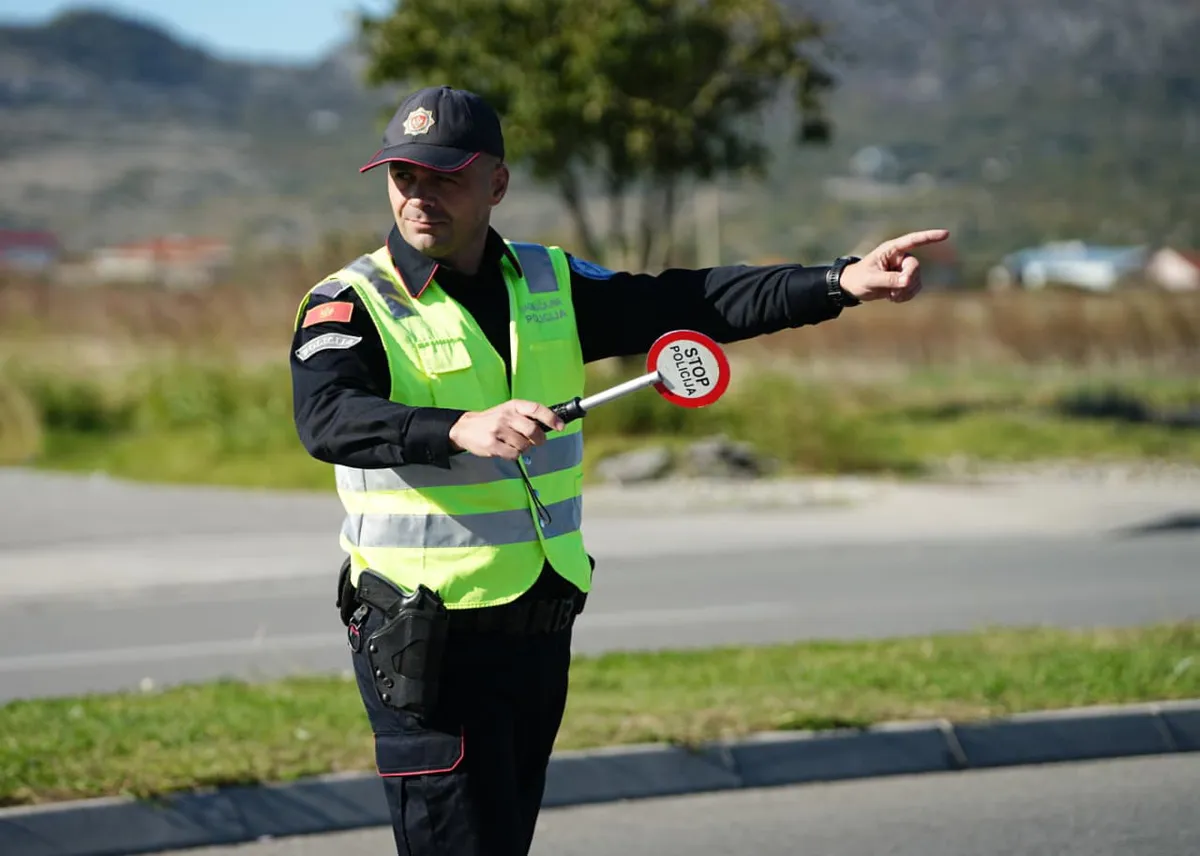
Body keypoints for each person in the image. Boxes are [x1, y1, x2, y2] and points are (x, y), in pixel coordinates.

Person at [289, 84, 949, 856]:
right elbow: (328, 416)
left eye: (444, 177)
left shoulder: (548, 283)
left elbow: (691, 299)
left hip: (536, 628)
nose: (419, 196)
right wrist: (458, 428)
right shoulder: (351, 302)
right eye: (404, 177)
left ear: (496, 184)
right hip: (423, 637)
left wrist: (839, 282)